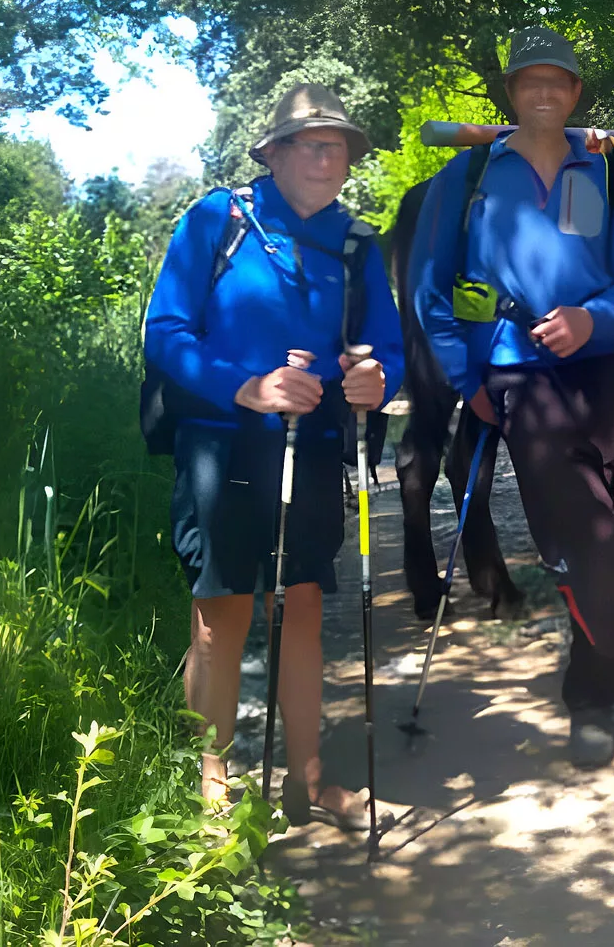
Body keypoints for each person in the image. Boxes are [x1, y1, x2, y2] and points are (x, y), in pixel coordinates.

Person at [411, 27, 614, 769]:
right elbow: (430, 290)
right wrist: (467, 379)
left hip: (602, 370)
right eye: (526, 81)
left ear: (573, 94)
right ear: (509, 92)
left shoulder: (602, 172)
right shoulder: (465, 179)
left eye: (554, 81)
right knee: (577, 536)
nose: (540, 92)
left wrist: (596, 320)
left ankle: (604, 673)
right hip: (514, 373)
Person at [145, 84, 405, 826]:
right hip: (221, 445)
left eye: (340, 148)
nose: (329, 159)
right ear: (275, 153)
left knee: (302, 607)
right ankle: (213, 783)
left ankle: (308, 778)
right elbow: (165, 333)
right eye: (312, 145)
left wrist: (375, 377)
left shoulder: (356, 243)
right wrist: (246, 387)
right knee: (219, 611)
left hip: (315, 444)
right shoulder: (217, 221)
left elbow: (384, 348)